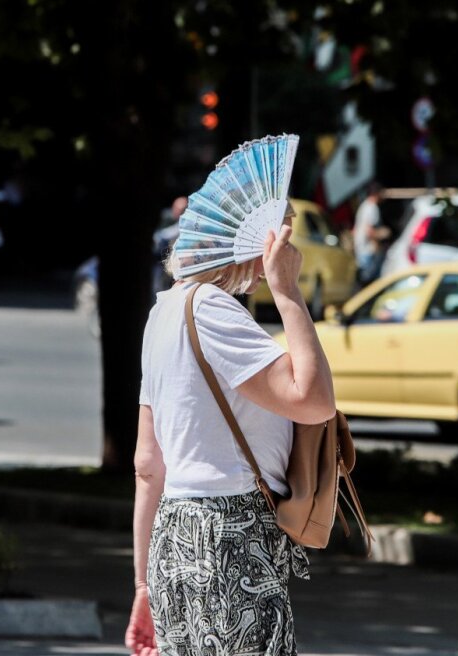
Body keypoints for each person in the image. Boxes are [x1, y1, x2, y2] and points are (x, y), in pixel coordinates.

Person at [126, 212, 336, 656]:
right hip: (230, 538)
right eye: (269, 241)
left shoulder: (161, 314)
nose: (269, 258)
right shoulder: (213, 310)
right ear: (238, 244)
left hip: (173, 539)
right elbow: (314, 400)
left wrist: (144, 585)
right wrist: (287, 290)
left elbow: (147, 466)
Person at [353, 182, 390, 285]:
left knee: (363, 280)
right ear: (377, 194)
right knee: (368, 282)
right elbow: (369, 231)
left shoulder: (364, 206)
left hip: (361, 247)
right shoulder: (372, 208)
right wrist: (383, 234)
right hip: (367, 249)